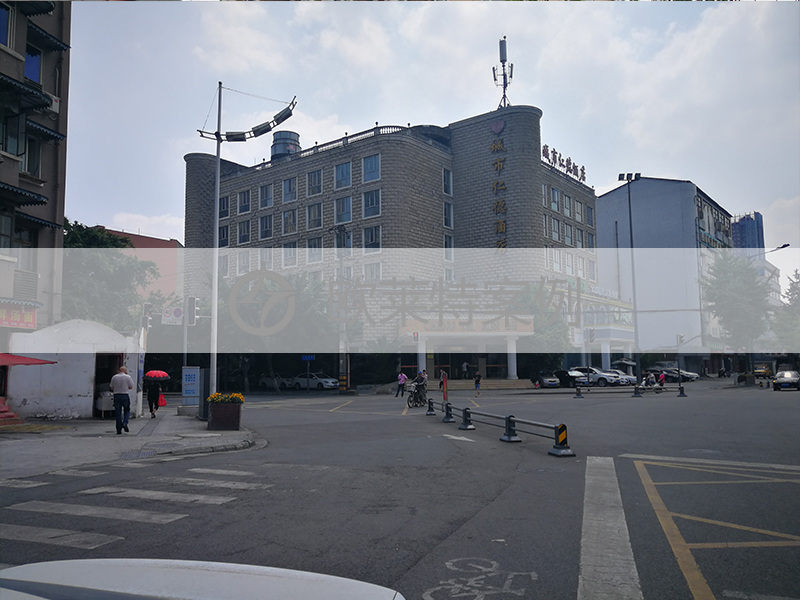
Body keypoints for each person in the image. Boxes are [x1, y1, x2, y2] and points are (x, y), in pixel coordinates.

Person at [110, 366, 134, 434]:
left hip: (116, 395)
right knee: (127, 410)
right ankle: (125, 422)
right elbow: (130, 387)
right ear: (125, 371)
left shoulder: (114, 377)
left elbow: (112, 388)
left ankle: (119, 429)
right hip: (125, 395)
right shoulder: (128, 377)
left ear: (118, 371)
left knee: (118, 412)